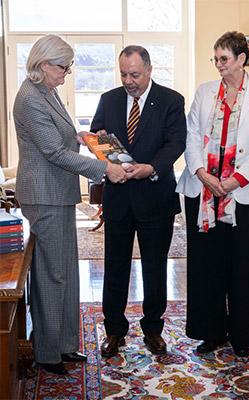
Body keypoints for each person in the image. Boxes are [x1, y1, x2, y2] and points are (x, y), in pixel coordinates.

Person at [13, 35, 126, 375]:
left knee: (65, 273)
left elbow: (60, 138)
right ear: (44, 65)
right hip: (43, 195)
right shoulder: (30, 98)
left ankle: (65, 345)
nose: (68, 72)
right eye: (63, 66)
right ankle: (48, 354)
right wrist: (105, 168)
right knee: (51, 275)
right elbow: (52, 153)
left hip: (57, 194)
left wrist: (83, 138)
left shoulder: (47, 91)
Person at [176, 31, 249, 357]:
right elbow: (191, 135)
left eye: (224, 59)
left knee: (244, 266)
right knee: (207, 266)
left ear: (241, 59)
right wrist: (202, 173)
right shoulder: (205, 92)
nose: (218, 65)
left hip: (245, 196)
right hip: (204, 194)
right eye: (215, 59)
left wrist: (236, 180)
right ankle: (211, 331)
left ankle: (243, 336)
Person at [91, 45, 186, 357]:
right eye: (123, 74)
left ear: (149, 70)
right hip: (119, 197)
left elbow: (176, 142)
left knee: (155, 268)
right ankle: (114, 331)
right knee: (115, 267)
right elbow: (97, 134)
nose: (128, 80)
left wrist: (152, 167)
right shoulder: (109, 99)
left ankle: (153, 329)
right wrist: (106, 156)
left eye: (134, 74)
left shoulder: (171, 100)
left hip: (155, 197)